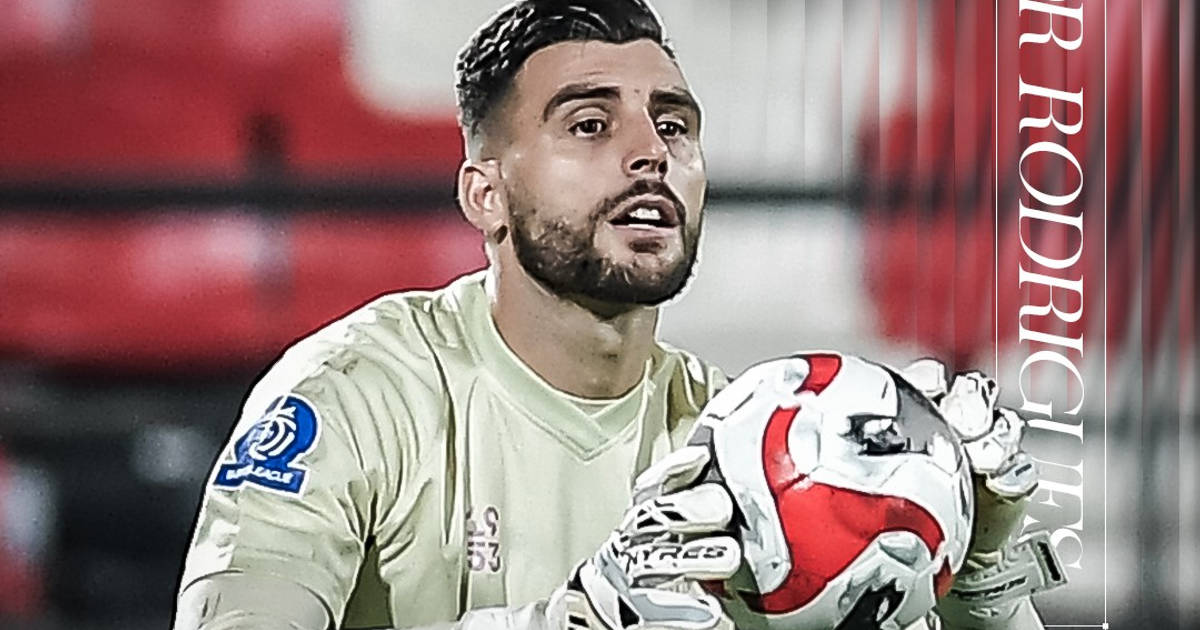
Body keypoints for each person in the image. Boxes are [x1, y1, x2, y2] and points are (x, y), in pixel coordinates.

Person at [173, 1, 1051, 629]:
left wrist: (979, 593)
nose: (648, 154)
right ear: (486, 195)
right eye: (591, 125)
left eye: (673, 126)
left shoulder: (749, 450)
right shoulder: (352, 398)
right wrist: (573, 619)